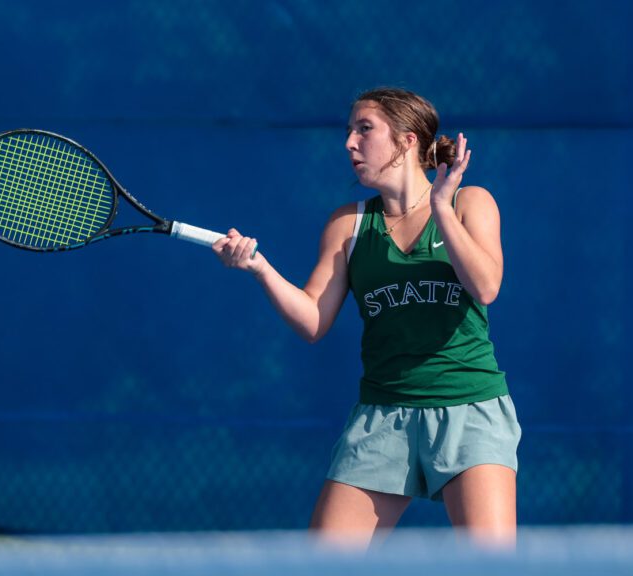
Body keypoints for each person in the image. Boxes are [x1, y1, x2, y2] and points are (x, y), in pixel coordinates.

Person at [213, 87, 520, 548]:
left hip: (470, 410)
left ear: (407, 140)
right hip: (383, 416)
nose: (349, 143)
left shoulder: (469, 203)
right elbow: (313, 320)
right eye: (349, 131)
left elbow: (486, 287)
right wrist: (259, 268)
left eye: (364, 129)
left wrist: (440, 207)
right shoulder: (348, 224)